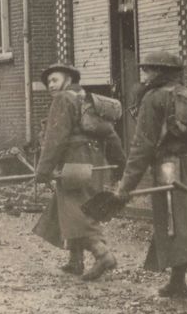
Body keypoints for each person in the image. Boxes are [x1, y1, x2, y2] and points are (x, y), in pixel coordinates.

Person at [112, 50, 187, 308]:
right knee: (184, 220)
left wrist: (125, 186)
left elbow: (142, 145)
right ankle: (177, 282)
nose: (145, 75)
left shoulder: (153, 98)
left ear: (160, 72)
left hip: (169, 168)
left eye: (149, 69)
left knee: (177, 222)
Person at [31, 63, 124, 279]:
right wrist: (120, 164)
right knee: (68, 205)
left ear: (68, 79)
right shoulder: (89, 100)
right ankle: (75, 261)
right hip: (95, 161)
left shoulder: (63, 99)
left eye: (54, 80)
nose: (50, 86)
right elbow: (110, 135)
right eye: (48, 83)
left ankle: (103, 254)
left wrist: (43, 170)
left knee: (76, 208)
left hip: (74, 160)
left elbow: (55, 139)